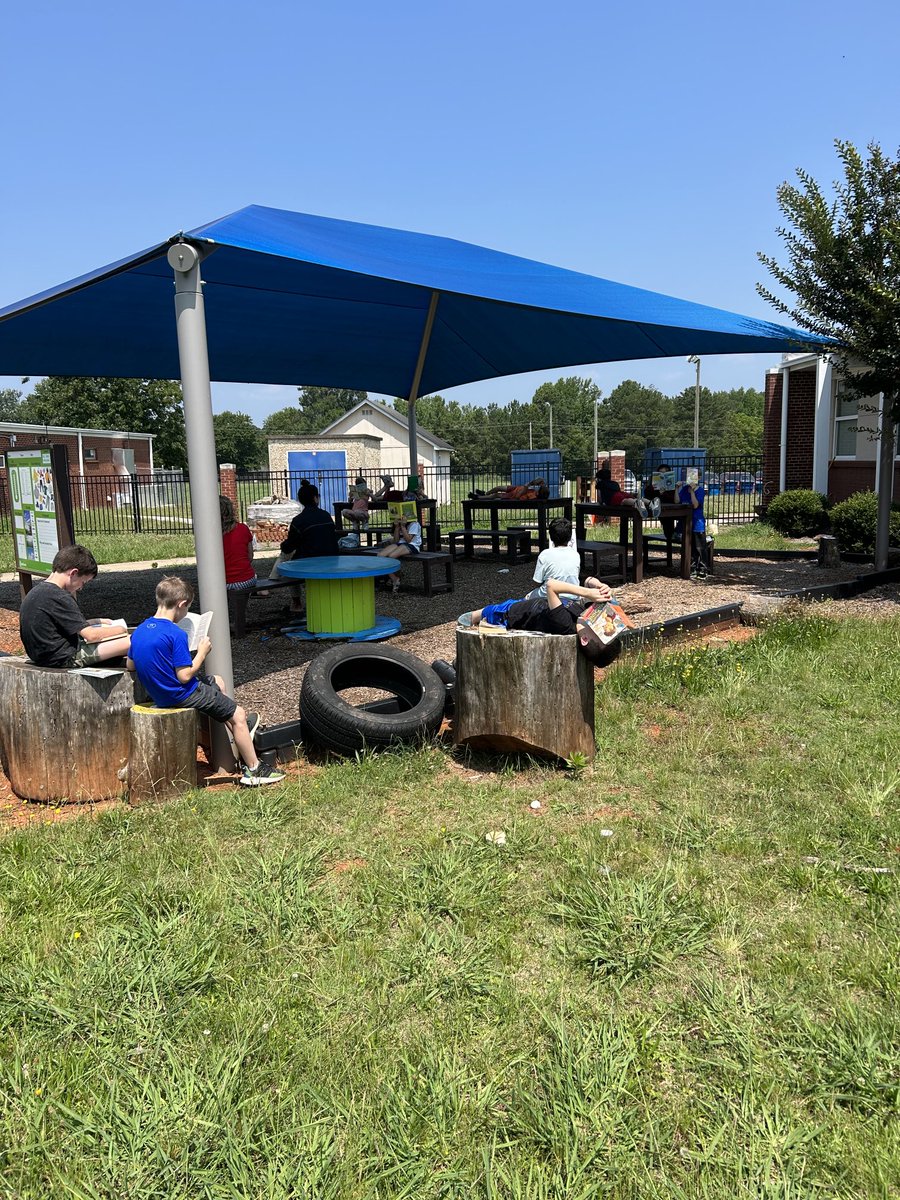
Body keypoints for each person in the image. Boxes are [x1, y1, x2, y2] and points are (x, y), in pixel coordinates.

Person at [127, 575, 284, 787]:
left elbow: (131, 665)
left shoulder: (140, 630)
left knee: (217, 681)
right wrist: (202, 652)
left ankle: (234, 730)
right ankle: (255, 769)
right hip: (181, 694)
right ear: (182, 604)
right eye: (186, 609)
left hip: (160, 693)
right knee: (239, 714)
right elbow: (184, 675)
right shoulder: (175, 633)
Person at [457, 577, 621, 666]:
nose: (596, 621)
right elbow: (588, 580)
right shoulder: (584, 620)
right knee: (512, 602)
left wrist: (586, 592)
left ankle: (474, 618)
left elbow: (551, 585)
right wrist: (600, 586)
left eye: (596, 627)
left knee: (493, 611)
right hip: (535, 606)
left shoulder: (566, 625)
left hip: (516, 614)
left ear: (584, 639)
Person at [19, 543, 132, 668]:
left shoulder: (37, 592)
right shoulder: (60, 597)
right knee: (136, 642)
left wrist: (94, 621)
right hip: (65, 657)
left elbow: (64, 624)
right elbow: (92, 636)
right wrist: (120, 630)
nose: (81, 588)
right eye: (83, 582)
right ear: (73, 573)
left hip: (42, 656)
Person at [270, 481, 340, 613]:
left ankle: (296, 602)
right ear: (315, 498)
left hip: (309, 562)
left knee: (288, 562)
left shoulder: (298, 520)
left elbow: (290, 546)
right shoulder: (326, 516)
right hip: (332, 560)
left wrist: (283, 546)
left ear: (300, 500)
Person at [525, 517, 581, 599]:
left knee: (527, 598)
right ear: (570, 537)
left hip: (547, 595)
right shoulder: (575, 554)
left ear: (550, 536)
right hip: (572, 595)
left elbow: (537, 581)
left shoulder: (545, 554)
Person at [375, 508, 422, 591]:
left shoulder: (414, 523)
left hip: (412, 545)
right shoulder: (399, 524)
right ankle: (395, 578)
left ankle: (396, 577)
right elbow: (396, 541)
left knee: (391, 557)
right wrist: (397, 527)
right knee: (380, 556)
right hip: (400, 543)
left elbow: (408, 540)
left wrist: (403, 527)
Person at [220, 495, 257, 593]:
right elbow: (250, 557)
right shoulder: (243, 528)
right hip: (245, 579)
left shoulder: (210, 535)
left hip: (220, 583)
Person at [678, 475, 709, 578]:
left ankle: (702, 568)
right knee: (689, 547)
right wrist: (676, 489)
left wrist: (692, 492)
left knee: (699, 547)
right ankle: (691, 568)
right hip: (687, 523)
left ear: (698, 479)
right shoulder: (684, 489)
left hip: (697, 523)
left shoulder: (700, 491)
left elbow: (695, 505)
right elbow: (677, 501)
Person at [469, 478, 549, 501]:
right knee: (498, 488)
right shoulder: (536, 493)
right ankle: (485, 493)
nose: (538, 488)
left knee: (495, 495)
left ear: (539, 493)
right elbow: (541, 481)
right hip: (516, 488)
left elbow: (518, 496)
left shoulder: (533, 496)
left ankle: (478, 497)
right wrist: (534, 482)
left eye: (540, 489)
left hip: (513, 494)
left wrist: (526, 487)